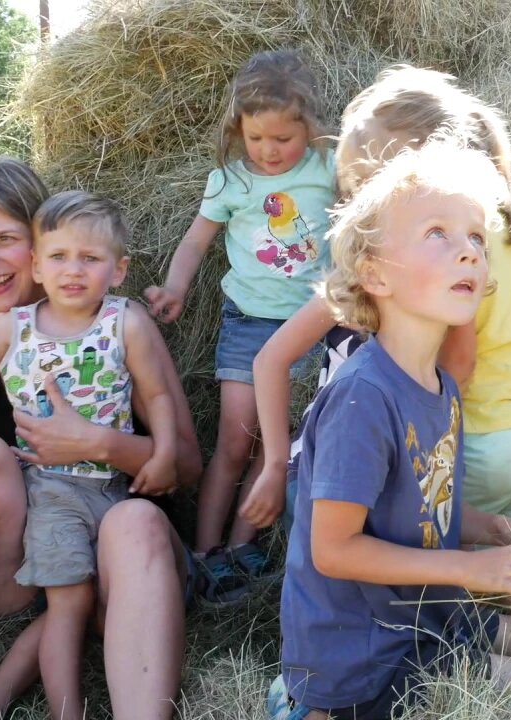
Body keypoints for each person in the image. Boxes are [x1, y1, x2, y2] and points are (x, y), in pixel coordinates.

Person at [268, 140, 511, 720]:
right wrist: (468, 567)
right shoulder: (363, 397)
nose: (468, 252)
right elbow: (333, 550)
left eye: (477, 240)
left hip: (423, 615)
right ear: (375, 274)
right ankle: (310, 705)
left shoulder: (444, 390)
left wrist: (504, 531)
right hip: (365, 650)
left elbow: (424, 514)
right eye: (438, 233)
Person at [0, 156, 200, 720]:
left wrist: (97, 443)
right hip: (39, 547)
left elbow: (187, 464)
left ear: (37, 239)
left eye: (3, 239)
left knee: (130, 523)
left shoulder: (116, 321)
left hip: (127, 561)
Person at [242, 65, 511, 538]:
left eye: (367, 188)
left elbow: (459, 364)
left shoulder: (423, 263)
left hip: (463, 443)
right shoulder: (508, 223)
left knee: (439, 585)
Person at [145, 49, 339, 602]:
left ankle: (240, 545)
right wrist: (175, 288)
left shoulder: (326, 168)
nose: (269, 151)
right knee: (236, 436)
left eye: (282, 138)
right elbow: (195, 241)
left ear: (308, 127)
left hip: (309, 326)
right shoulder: (229, 181)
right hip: (250, 321)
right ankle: (204, 551)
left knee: (276, 441)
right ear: (239, 129)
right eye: (257, 138)